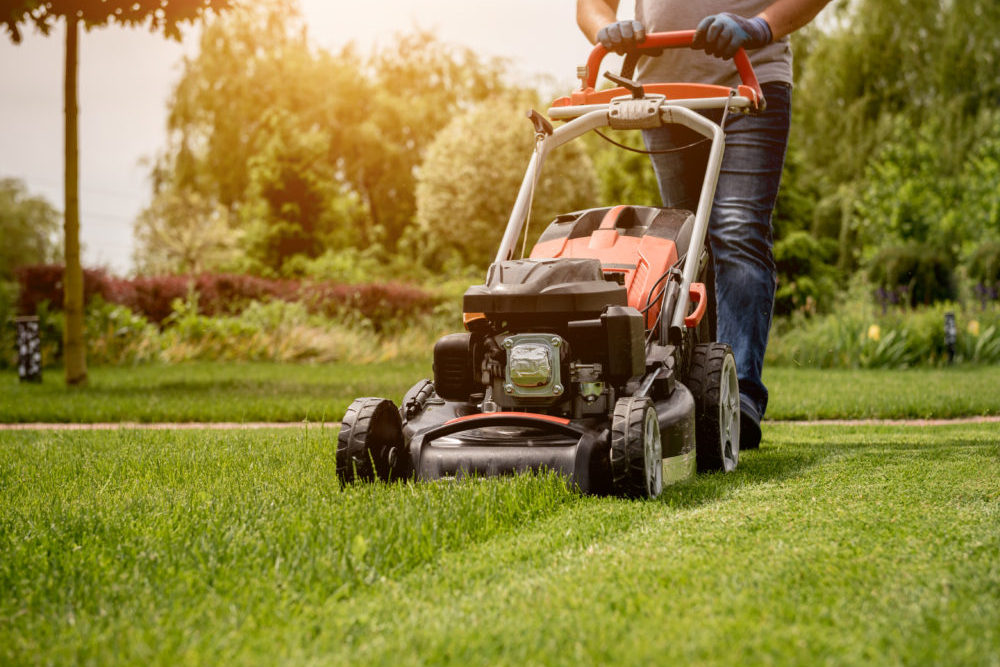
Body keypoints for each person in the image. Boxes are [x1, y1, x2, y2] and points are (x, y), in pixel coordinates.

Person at [576, 0, 830, 449]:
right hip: (663, 93)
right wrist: (608, 29)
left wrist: (758, 26)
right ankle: (697, 394)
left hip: (749, 79)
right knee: (687, 248)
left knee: (737, 231)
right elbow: (590, 5)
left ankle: (740, 395)